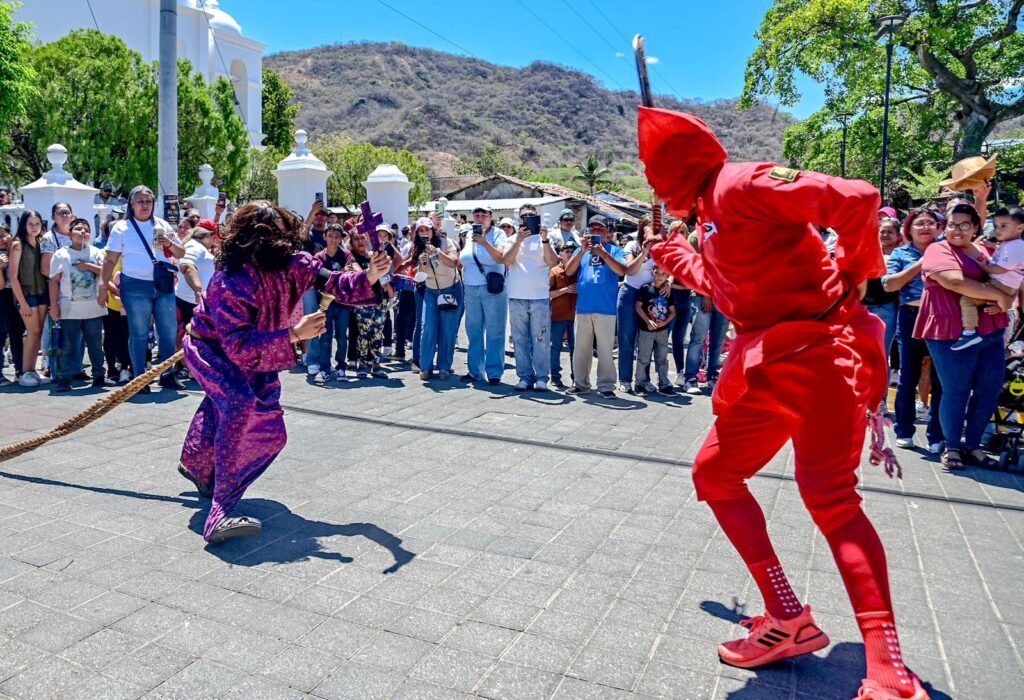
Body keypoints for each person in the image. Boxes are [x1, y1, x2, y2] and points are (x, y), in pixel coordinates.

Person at [641, 106, 927, 700]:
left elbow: (856, 197)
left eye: (650, 164)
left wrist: (853, 273)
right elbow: (729, 288)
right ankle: (786, 614)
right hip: (765, 367)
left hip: (820, 357)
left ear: (674, 165)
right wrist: (672, 255)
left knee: (831, 502)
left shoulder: (739, 183)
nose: (648, 176)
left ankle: (887, 665)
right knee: (716, 474)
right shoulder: (707, 214)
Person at [179, 201, 389, 543]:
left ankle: (197, 465)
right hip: (212, 350)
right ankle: (220, 510)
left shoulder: (296, 263)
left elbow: (336, 282)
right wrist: (294, 334)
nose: (276, 241)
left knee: (270, 429)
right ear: (249, 239)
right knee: (236, 403)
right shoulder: (229, 281)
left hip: (260, 348)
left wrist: (370, 275)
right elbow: (239, 349)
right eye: (267, 234)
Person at [916, 204, 1012, 471]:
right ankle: (952, 447)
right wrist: (997, 295)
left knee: (989, 390)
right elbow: (954, 281)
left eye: (964, 225)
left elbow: (1012, 280)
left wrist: (1006, 299)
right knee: (956, 391)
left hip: (991, 330)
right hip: (949, 332)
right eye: (951, 224)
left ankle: (973, 445)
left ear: (976, 227)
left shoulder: (986, 251)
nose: (956, 230)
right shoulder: (937, 250)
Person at [99, 186, 185, 393]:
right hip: (135, 285)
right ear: (131, 204)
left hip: (162, 285)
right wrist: (103, 285)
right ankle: (140, 379)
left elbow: (180, 252)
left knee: (169, 331)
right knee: (138, 332)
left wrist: (169, 242)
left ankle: (167, 374)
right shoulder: (122, 227)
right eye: (140, 201)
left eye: (148, 201)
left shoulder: (161, 225)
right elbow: (110, 259)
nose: (145, 205)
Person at [882, 209, 944, 452]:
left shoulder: (948, 249)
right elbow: (890, 284)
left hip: (943, 318)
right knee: (908, 376)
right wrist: (922, 263)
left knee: (940, 380)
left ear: (939, 228)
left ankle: (937, 434)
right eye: (920, 223)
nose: (925, 227)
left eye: (931, 223)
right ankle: (904, 429)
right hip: (911, 316)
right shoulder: (901, 253)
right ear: (909, 229)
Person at [564, 215, 626, 398]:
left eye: (600, 229)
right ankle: (580, 383)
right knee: (581, 349)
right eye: (593, 229)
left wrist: (603, 254)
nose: (596, 232)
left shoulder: (615, 250)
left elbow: (622, 270)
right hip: (583, 308)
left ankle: (606, 385)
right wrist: (582, 251)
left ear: (608, 233)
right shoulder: (580, 251)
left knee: (605, 350)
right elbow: (569, 270)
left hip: (605, 308)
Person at [952, 206, 1024, 351]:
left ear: (1020, 228)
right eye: (996, 226)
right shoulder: (1011, 244)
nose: (998, 230)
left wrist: (983, 265)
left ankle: (969, 332)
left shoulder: (1016, 246)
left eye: (1004, 226)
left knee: (967, 300)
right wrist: (992, 246)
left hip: (1001, 284)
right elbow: (1003, 258)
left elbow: (1000, 268)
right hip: (1005, 285)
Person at [47, 218, 106, 392]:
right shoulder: (61, 254)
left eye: (86, 230)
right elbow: (53, 281)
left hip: (93, 307)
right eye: (78, 229)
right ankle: (64, 377)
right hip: (69, 308)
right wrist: (54, 306)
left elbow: (105, 273)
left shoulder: (96, 252)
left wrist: (88, 266)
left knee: (95, 344)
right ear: (70, 233)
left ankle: (99, 375)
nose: (82, 232)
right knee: (68, 345)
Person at [503, 205, 558, 391]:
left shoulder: (544, 239)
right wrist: (518, 241)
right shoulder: (512, 239)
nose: (527, 219)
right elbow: (507, 261)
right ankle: (525, 376)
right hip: (517, 295)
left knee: (541, 338)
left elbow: (553, 262)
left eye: (531, 216)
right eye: (524, 216)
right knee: (519, 339)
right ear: (519, 220)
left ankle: (542, 376)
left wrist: (545, 240)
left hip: (539, 296)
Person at [459, 206, 508, 385]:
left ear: (490, 217)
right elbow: (463, 259)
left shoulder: (498, 234)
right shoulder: (469, 235)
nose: (480, 218)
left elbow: (501, 257)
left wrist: (484, 243)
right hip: (471, 288)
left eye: (484, 215)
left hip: (492, 289)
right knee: (473, 330)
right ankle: (475, 371)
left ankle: (494, 372)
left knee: (495, 331)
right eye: (476, 215)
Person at [412, 217, 462, 380]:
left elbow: (454, 262)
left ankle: (444, 367)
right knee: (428, 328)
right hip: (431, 291)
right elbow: (421, 275)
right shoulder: (418, 248)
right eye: (421, 230)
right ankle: (425, 367)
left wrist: (438, 252)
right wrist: (422, 263)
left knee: (447, 330)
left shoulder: (446, 242)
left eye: (427, 229)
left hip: (450, 289)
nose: (424, 233)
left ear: (433, 230)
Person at [617, 217, 660, 393]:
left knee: (647, 340)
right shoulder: (631, 246)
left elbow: (667, 271)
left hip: (649, 295)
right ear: (642, 230)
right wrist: (643, 253)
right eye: (648, 229)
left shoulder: (660, 249)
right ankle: (625, 379)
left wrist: (667, 282)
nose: (651, 233)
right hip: (630, 292)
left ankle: (643, 379)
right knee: (627, 338)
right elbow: (630, 270)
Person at [9, 211, 49, 387]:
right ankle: (25, 372)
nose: (34, 227)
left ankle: (33, 370)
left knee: (38, 333)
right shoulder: (18, 245)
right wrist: (22, 302)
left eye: (37, 224)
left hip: (42, 293)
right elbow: (13, 277)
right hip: (26, 295)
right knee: (31, 333)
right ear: (24, 225)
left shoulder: (41, 243)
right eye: (30, 224)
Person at [313, 223, 355, 383]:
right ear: (325, 237)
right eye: (330, 235)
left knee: (342, 336)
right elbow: (317, 279)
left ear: (341, 238)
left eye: (337, 236)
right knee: (325, 335)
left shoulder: (346, 255)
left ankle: (341, 367)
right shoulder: (318, 257)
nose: (333, 239)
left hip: (343, 302)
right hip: (325, 302)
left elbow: (348, 274)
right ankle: (324, 368)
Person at [348, 226, 391, 379]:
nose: (360, 241)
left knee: (378, 333)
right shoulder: (351, 256)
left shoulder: (373, 255)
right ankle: (362, 364)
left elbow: (387, 269)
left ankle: (376, 364)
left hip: (380, 299)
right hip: (363, 301)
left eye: (362, 238)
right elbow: (359, 274)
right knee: (364, 334)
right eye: (356, 239)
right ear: (351, 242)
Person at [175, 225, 218, 371]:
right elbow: (187, 267)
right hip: (191, 302)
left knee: (192, 335)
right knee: (190, 335)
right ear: (208, 236)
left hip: (194, 301)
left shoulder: (197, 247)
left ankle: (189, 366)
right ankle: (185, 366)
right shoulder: (194, 247)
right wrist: (198, 290)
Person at [863, 217, 902, 369]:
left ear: (898, 235)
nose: (885, 234)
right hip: (863, 308)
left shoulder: (901, 254)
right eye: (883, 231)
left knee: (881, 354)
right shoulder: (868, 251)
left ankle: (881, 393)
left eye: (890, 232)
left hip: (886, 308)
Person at [633, 263, 676, 394]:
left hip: (662, 331)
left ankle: (663, 383)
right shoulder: (646, 289)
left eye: (664, 274)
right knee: (643, 357)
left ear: (667, 276)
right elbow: (638, 306)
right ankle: (639, 383)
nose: (660, 277)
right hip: (646, 330)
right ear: (653, 272)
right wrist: (647, 320)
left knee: (662, 358)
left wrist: (665, 323)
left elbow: (673, 312)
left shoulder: (667, 292)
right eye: (658, 273)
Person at [548, 240, 578, 388]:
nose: (570, 253)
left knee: (576, 348)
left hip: (575, 316)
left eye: (573, 251)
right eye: (567, 251)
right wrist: (566, 290)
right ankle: (554, 375)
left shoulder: (579, 270)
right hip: (558, 316)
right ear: (560, 254)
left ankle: (576, 376)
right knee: (555, 347)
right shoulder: (554, 272)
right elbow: (547, 294)